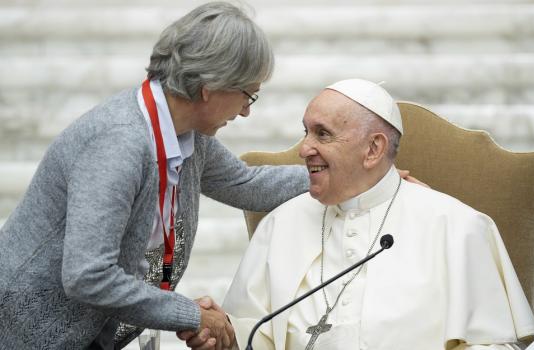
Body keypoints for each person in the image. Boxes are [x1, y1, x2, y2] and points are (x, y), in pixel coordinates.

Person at [0, 2, 311, 349]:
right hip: (27, 334)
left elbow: (245, 184)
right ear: (209, 87)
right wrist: (190, 314)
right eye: (247, 94)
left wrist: (328, 173)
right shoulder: (120, 142)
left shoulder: (188, 131)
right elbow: (88, 277)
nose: (246, 111)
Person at [208, 79, 534, 349]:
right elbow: (247, 333)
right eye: (305, 132)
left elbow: (493, 344)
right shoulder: (282, 222)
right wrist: (219, 334)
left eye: (322, 133)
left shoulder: (456, 226)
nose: (304, 148)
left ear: (373, 149)